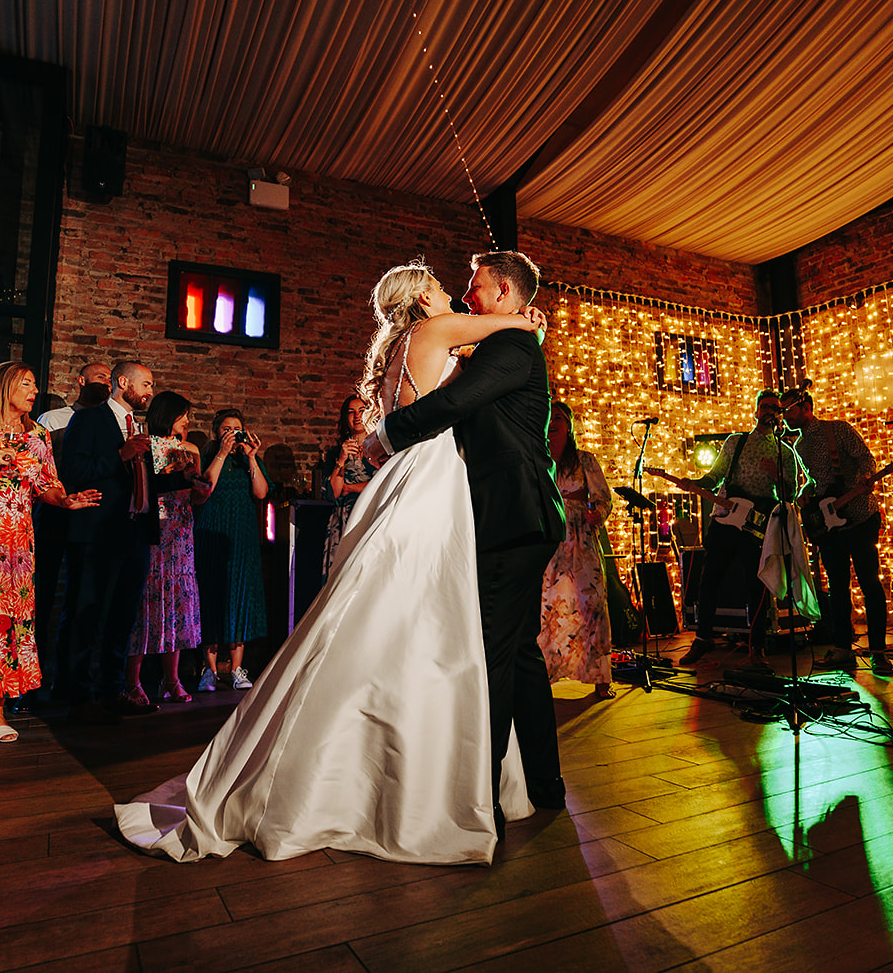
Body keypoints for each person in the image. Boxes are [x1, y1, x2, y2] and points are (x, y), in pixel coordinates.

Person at [115, 259, 545, 864]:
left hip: (414, 473)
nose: (454, 293)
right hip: (428, 477)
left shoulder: (410, 342)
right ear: (421, 299)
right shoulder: (438, 330)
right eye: (442, 287)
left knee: (397, 606)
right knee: (421, 607)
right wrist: (527, 321)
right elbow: (506, 333)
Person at [370, 250, 569, 826]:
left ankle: (481, 799)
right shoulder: (494, 342)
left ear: (504, 292)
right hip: (514, 516)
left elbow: (455, 402)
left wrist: (387, 434)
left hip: (514, 515)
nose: (466, 294)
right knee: (520, 652)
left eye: (476, 285)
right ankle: (545, 784)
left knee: (493, 652)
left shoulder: (511, 345)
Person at [0, 362, 100, 749]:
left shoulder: (37, 435)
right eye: (25, 384)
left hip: (17, 546)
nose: (33, 391)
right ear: (3, 386)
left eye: (34, 385)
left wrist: (65, 499)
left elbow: (46, 484)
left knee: (9, 623)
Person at [59, 361, 184, 721]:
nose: (149, 390)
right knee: (87, 613)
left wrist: (183, 482)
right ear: (123, 382)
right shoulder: (89, 420)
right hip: (99, 532)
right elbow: (75, 472)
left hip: (135, 532)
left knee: (123, 616)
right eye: (145, 383)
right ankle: (78, 696)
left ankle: (114, 689)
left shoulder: (138, 426)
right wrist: (120, 455)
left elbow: (141, 481)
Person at [670, 390, 806, 673]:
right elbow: (715, 475)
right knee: (709, 579)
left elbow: (790, 494)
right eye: (765, 406)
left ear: (779, 414)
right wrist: (695, 482)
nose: (770, 411)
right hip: (725, 520)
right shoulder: (736, 442)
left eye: (775, 408)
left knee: (755, 585)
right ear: (756, 411)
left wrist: (777, 476)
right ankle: (703, 637)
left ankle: (757, 648)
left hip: (757, 525)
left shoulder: (784, 452)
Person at [781, 388, 892, 676]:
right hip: (830, 526)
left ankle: (879, 651)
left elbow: (866, 459)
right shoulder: (800, 446)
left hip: (861, 517)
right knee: (838, 588)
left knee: (869, 582)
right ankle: (843, 648)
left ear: (805, 406)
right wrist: (804, 495)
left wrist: (867, 478)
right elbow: (814, 482)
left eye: (788, 410)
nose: (784, 416)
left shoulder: (838, 430)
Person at [125, 392, 212, 705]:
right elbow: (175, 478)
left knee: (176, 604)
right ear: (167, 416)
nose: (187, 421)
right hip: (154, 528)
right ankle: (133, 682)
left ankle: (171, 679)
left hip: (182, 529)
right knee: (146, 604)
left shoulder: (189, 449)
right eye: (182, 415)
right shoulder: (148, 444)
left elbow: (199, 492)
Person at [32, 360, 111, 686]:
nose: (104, 381)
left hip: (88, 515)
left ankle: (66, 678)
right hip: (53, 511)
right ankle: (33, 680)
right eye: (99, 376)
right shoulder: (54, 418)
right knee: (42, 594)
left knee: (78, 597)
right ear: (81, 380)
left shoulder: (109, 423)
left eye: (109, 377)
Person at [539, 401, 616, 700]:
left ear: (570, 426)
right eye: (550, 418)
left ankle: (600, 678)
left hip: (581, 540)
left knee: (591, 604)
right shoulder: (539, 460)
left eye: (560, 417)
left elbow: (602, 498)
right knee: (548, 607)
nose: (554, 422)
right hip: (549, 541)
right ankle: (546, 672)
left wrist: (596, 511)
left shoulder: (584, 461)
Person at [192, 408, 270, 692]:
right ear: (216, 431)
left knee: (241, 598)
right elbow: (204, 489)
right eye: (226, 428)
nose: (232, 434)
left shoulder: (250, 459)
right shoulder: (209, 456)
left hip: (242, 536)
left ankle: (237, 669)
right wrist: (222, 453)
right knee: (211, 597)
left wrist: (250, 457)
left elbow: (261, 493)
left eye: (236, 428)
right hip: (212, 532)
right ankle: (209, 671)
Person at [322, 393, 375, 574]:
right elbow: (333, 493)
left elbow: (384, 484)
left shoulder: (382, 449)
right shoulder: (336, 453)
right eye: (351, 412)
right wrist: (341, 461)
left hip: (372, 516)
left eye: (362, 410)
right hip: (344, 520)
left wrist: (350, 487)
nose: (357, 416)